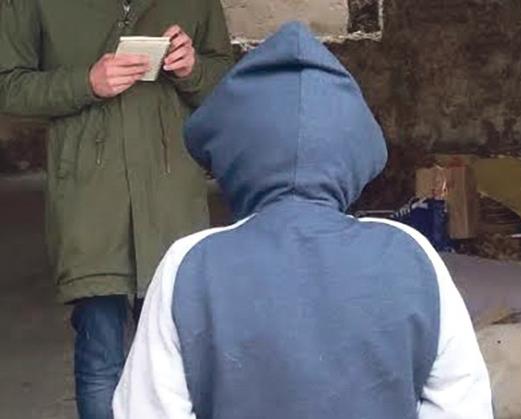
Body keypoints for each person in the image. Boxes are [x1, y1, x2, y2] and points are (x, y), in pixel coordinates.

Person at [113, 22, 494, 419]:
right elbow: (464, 407)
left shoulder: (191, 265)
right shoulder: (411, 255)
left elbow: (146, 411)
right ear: (354, 152)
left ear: (233, 154)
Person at [0, 0, 233, 418]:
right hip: (89, 202)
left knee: (179, 361)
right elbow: (8, 86)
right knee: (100, 356)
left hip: (171, 200)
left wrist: (193, 68)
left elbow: (227, 86)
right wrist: (85, 82)